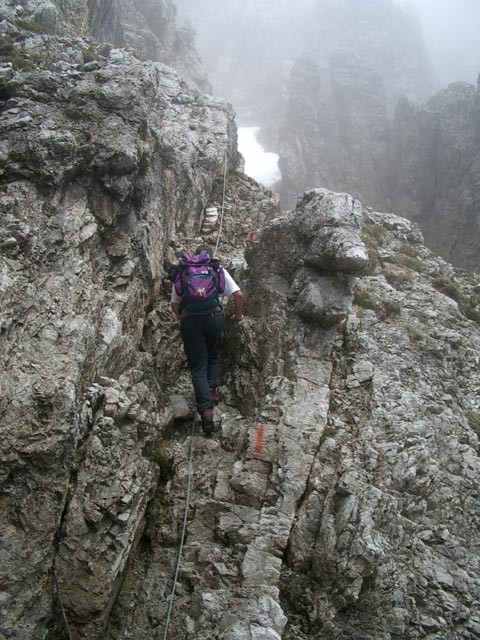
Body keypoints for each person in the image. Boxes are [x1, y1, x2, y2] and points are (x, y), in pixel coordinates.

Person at [171, 245, 244, 434]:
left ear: (196, 254)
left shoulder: (185, 269)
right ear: (209, 254)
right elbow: (238, 294)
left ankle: (206, 411)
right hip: (214, 317)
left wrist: (184, 318)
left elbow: (174, 303)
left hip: (190, 320)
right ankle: (211, 392)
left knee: (197, 366)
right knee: (213, 356)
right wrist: (238, 316)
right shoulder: (215, 268)